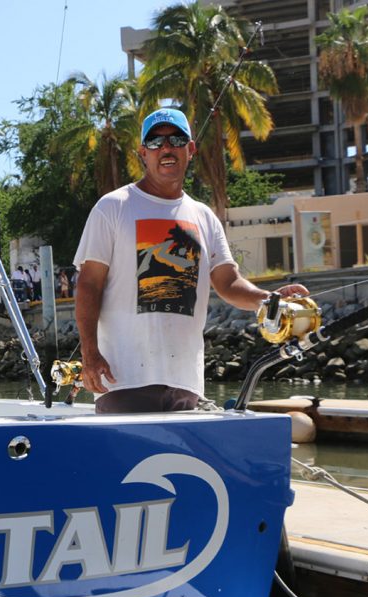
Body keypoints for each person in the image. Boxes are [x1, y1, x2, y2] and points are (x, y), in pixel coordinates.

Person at [73, 107, 308, 414]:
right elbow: (89, 285)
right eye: (156, 142)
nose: (166, 148)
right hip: (124, 379)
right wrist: (90, 354)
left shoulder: (204, 217)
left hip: (185, 382)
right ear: (143, 153)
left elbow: (229, 283)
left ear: (191, 149)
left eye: (176, 139)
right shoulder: (113, 207)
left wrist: (269, 298)